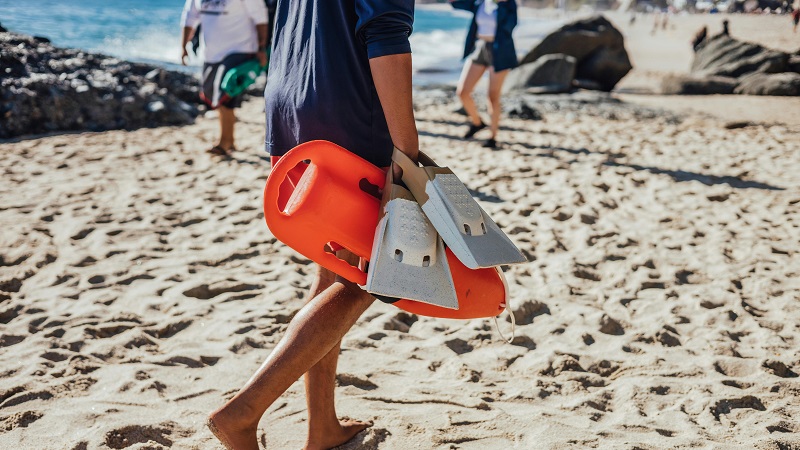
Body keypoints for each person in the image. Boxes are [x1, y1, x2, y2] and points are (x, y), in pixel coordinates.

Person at [206, 0, 419, 449]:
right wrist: (409, 159)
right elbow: (386, 34)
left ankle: (322, 427)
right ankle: (242, 413)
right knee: (370, 277)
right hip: (347, 109)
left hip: (291, 101)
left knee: (334, 272)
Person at [180, 0, 269, 156]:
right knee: (213, 95)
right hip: (211, 54)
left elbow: (260, 17)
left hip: (240, 49)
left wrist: (262, 47)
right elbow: (190, 18)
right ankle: (230, 140)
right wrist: (183, 47)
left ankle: (224, 142)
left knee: (226, 93)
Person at [451, 0, 518, 149]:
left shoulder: (508, 4)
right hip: (479, 47)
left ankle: (493, 137)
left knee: (493, 96)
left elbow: (509, 26)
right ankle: (477, 123)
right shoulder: (479, 3)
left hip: (500, 51)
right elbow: (456, 3)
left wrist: (500, 4)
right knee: (462, 92)